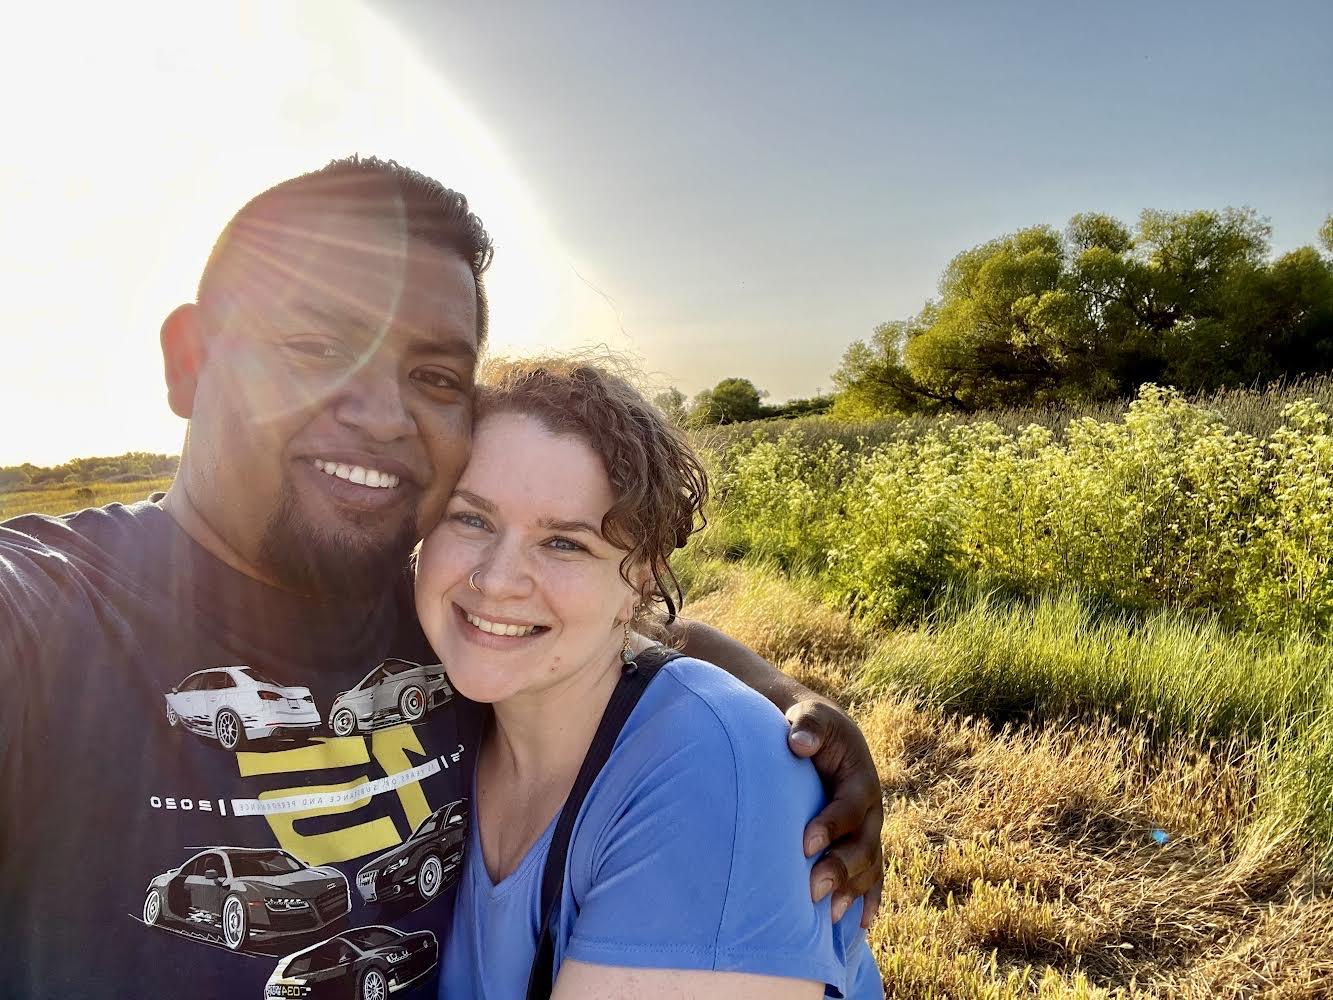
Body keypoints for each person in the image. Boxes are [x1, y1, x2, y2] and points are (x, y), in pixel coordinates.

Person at [0, 156, 882, 999]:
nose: (383, 415)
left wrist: (780, 708)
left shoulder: (432, 612)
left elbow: (621, 642)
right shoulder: (48, 617)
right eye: (314, 343)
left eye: (432, 375)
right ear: (190, 360)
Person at [418, 358, 884, 999]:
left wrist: (761, 704)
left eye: (565, 543)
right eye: (470, 517)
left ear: (639, 578)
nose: (495, 580)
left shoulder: (715, 776)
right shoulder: (424, 689)